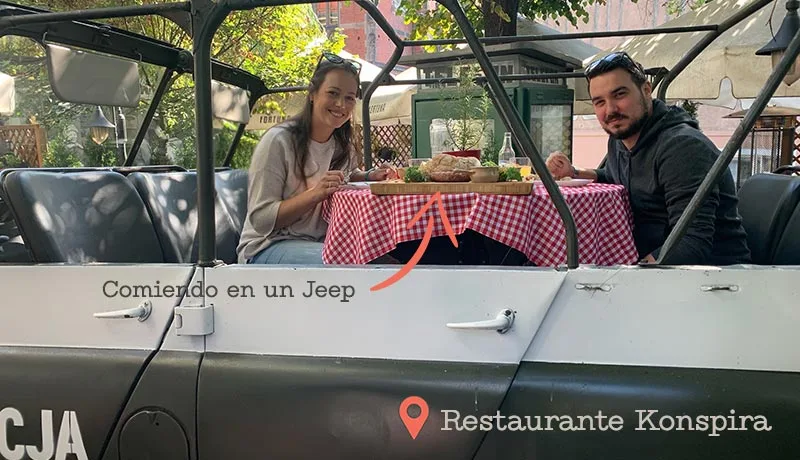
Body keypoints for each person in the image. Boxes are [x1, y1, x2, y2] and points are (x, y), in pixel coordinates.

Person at [546, 51, 750, 266]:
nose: (610, 110)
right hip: (653, 263)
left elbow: (691, 243)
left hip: (713, 273)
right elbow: (618, 177)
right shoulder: (620, 139)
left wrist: (629, 273)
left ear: (646, 90)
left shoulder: (682, 148)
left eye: (619, 94)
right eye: (599, 102)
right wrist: (573, 172)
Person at [237, 52, 396, 265]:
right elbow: (261, 220)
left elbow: (348, 175)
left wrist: (370, 175)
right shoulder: (278, 141)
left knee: (392, 262)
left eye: (349, 97)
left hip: (322, 241)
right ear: (312, 93)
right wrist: (315, 194)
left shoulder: (341, 143)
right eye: (333, 93)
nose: (341, 104)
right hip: (266, 246)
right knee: (363, 266)